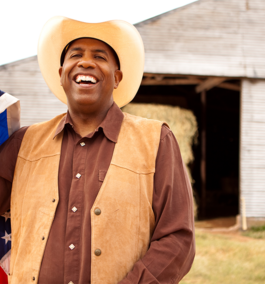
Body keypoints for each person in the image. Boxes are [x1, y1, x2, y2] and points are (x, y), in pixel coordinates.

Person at [0, 16, 195, 284]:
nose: (86, 62)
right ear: (61, 74)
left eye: (100, 56)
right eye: (76, 54)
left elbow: (177, 238)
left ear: (117, 78)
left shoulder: (157, 140)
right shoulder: (23, 144)